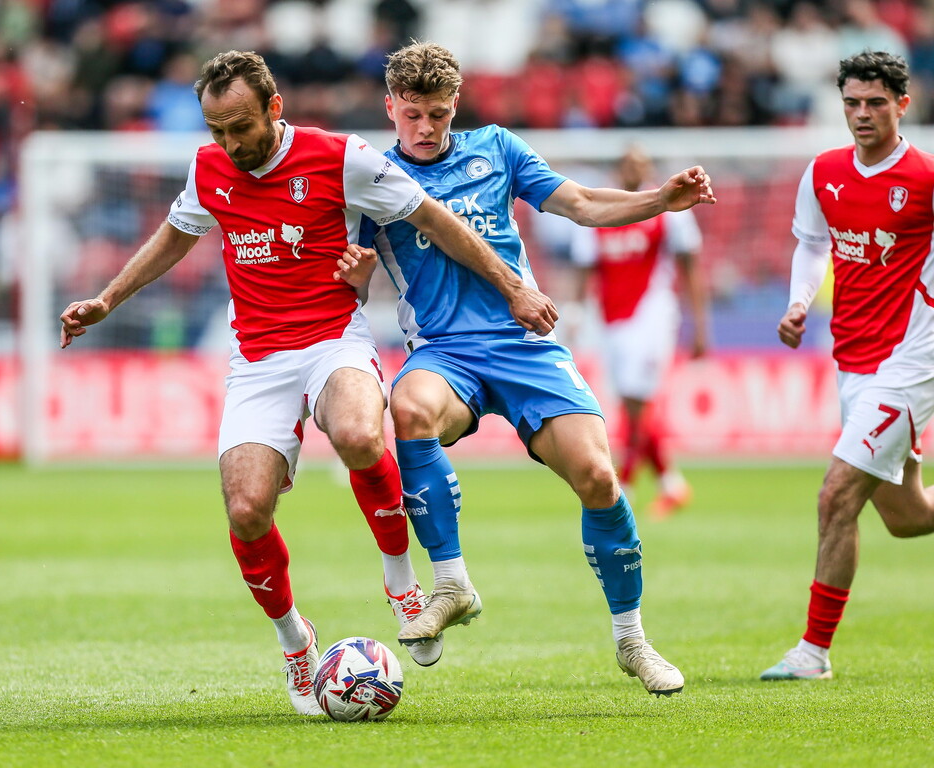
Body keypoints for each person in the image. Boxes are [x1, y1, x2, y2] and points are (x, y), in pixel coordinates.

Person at [58, 50, 559, 715]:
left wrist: (516, 287)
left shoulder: (340, 157)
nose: (231, 144)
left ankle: (401, 580)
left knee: (357, 431)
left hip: (332, 337)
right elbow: (176, 235)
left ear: (274, 107)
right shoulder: (210, 168)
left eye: (241, 126)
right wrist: (106, 300)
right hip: (258, 357)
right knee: (245, 510)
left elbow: (436, 220)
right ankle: (297, 642)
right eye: (217, 131)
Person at [338, 41, 715, 697]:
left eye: (438, 114)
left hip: (526, 344)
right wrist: (355, 275)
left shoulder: (498, 149)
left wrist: (659, 200)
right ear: (390, 107)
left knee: (599, 475)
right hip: (444, 352)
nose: (425, 129)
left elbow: (583, 205)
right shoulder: (374, 180)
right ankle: (451, 583)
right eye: (413, 115)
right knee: (410, 408)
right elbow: (345, 276)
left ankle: (632, 639)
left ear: (455, 106)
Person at [761, 50, 934, 681]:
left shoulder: (924, 177)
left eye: (876, 104)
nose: (862, 115)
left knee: (836, 496)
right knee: (905, 515)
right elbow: (811, 244)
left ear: (902, 106)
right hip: (853, 360)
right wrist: (798, 302)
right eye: (852, 103)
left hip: (911, 361)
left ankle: (812, 652)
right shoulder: (825, 172)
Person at [570, 144, 710, 519]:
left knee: (638, 402)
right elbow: (583, 269)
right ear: (620, 170)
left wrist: (700, 325)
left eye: (643, 164)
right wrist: (574, 314)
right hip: (610, 320)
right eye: (630, 163)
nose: (637, 169)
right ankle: (671, 484)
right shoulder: (602, 212)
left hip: (652, 316)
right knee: (631, 406)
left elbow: (691, 267)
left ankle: (626, 486)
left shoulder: (671, 209)